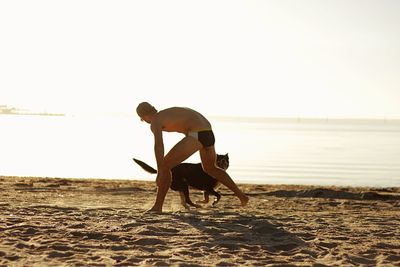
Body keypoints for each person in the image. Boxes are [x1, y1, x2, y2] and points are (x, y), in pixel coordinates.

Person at [136, 101, 249, 212]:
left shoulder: (156, 120)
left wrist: (160, 170)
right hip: (208, 133)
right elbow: (188, 121)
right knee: (211, 168)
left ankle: (157, 206)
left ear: (144, 117)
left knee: (165, 166)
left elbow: (159, 146)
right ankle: (242, 197)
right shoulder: (167, 113)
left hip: (196, 134)